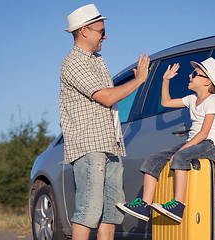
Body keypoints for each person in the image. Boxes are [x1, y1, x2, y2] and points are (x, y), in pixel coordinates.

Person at [59, 4, 150, 240]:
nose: (105, 36)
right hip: (90, 146)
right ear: (85, 31)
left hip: (109, 143)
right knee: (89, 209)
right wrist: (139, 80)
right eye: (101, 30)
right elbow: (107, 96)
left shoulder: (97, 59)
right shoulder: (73, 63)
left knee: (112, 211)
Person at [116, 57, 215, 223]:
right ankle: (145, 205)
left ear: (207, 82)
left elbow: (205, 132)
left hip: (209, 144)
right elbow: (165, 102)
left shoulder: (213, 101)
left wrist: (183, 149)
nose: (190, 76)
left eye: (195, 74)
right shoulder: (191, 99)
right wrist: (165, 80)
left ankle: (178, 205)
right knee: (153, 159)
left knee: (180, 156)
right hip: (194, 143)